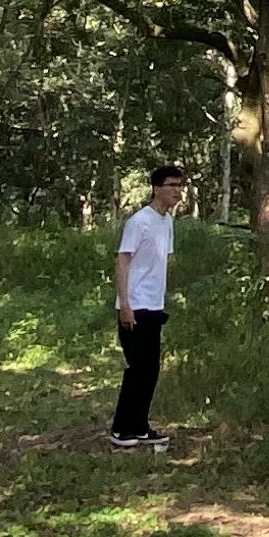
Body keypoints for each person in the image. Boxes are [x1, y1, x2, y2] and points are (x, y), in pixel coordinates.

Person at [109, 160, 187, 448]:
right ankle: (121, 429)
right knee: (137, 368)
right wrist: (125, 304)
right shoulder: (139, 221)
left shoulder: (166, 221)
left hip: (154, 306)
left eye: (179, 186)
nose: (177, 191)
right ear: (156, 189)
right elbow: (123, 261)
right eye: (171, 186)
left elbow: (162, 260)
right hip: (135, 305)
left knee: (150, 369)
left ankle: (139, 426)